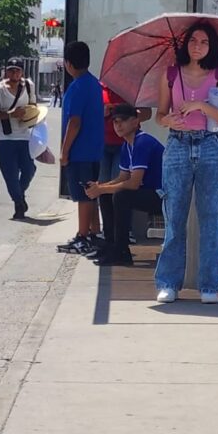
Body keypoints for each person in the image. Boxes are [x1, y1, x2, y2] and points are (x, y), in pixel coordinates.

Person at [154, 22, 218, 304]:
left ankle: (209, 284)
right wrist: (168, 120)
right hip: (178, 143)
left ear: (211, 46)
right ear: (185, 44)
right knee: (174, 216)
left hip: (211, 145)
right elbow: (160, 115)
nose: (198, 46)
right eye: (193, 40)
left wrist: (203, 106)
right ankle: (168, 282)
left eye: (204, 42)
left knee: (211, 217)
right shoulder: (170, 74)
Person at [85, 104, 164, 267]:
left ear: (135, 122)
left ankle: (122, 250)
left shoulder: (142, 142)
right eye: (115, 122)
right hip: (149, 191)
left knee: (121, 196)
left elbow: (133, 183)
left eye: (122, 121)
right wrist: (100, 187)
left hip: (164, 195)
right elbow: (122, 177)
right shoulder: (126, 145)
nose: (118, 125)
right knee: (107, 195)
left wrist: (102, 188)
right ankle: (111, 244)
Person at [92, 83, 152, 259]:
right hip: (104, 143)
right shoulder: (99, 89)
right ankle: (109, 234)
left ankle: (124, 233)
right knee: (104, 187)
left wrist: (125, 113)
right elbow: (88, 116)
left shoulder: (132, 86)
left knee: (119, 188)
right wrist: (103, 112)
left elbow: (147, 113)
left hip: (124, 143)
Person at [57, 42, 105, 256]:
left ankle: (82, 236)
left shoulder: (77, 87)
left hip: (80, 151)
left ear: (68, 63)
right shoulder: (94, 84)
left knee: (84, 195)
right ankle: (94, 231)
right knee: (92, 193)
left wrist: (64, 151)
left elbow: (74, 122)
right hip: (95, 149)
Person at [0, 61, 38, 219]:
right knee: (10, 174)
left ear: (22, 72)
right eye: (11, 71)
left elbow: (34, 105)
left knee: (29, 169)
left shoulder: (28, 86)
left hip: (25, 135)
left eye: (18, 71)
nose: (15, 74)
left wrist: (29, 114)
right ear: (6, 72)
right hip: (5, 137)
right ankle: (18, 203)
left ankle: (19, 195)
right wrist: (10, 113)